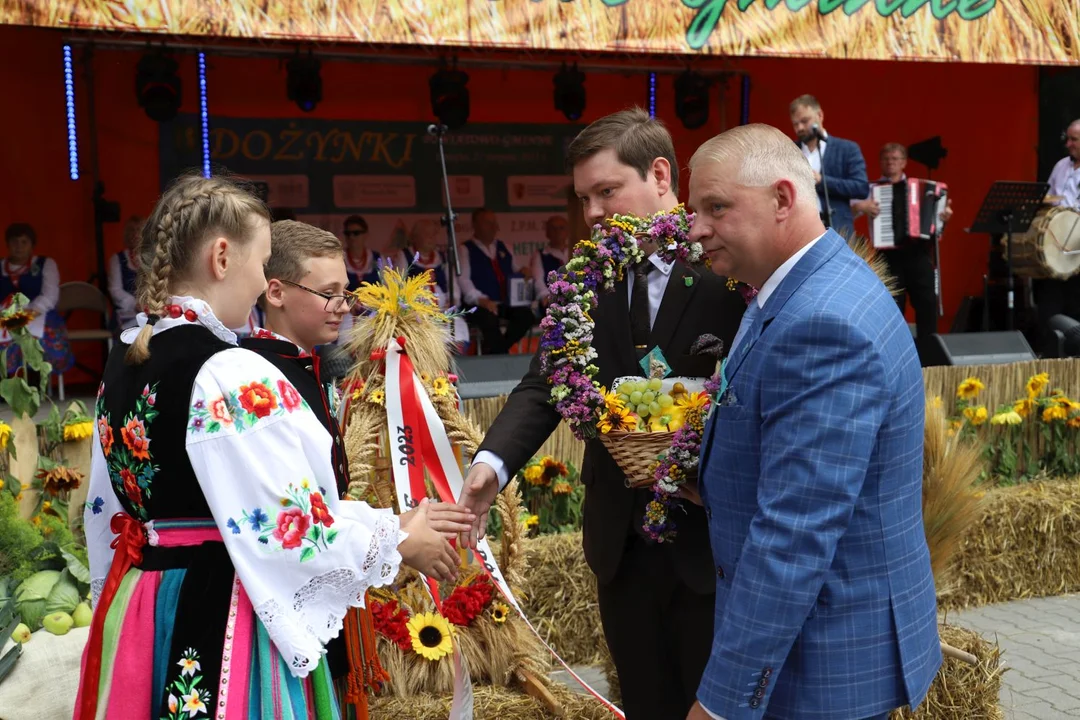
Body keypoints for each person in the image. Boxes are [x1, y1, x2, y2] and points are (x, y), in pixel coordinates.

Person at [76, 174, 462, 720]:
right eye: (261, 265)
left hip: (141, 605)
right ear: (222, 257)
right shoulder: (229, 372)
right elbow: (292, 530)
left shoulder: (122, 362)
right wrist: (398, 537)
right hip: (218, 614)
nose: (262, 284)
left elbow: (105, 511)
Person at [459, 108, 746, 720]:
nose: (591, 213)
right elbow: (545, 383)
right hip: (620, 545)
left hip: (710, 540)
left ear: (661, 175)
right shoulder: (588, 278)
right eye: (584, 198)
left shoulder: (729, 268)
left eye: (606, 191)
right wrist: (491, 464)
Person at [684, 124, 941, 720]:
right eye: (694, 210)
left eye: (716, 207)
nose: (695, 229)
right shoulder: (794, 289)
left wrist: (722, 701)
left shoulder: (822, 321)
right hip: (817, 646)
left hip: (821, 663)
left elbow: (794, 535)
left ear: (782, 199)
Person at [240, 218, 476, 708]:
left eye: (346, 292)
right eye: (329, 292)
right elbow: (294, 517)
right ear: (277, 292)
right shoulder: (257, 378)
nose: (344, 307)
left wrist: (400, 522)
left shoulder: (310, 367)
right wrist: (399, 537)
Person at [851, 143, 954, 339]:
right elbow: (845, 213)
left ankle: (929, 351)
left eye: (895, 159)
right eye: (886, 159)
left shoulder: (922, 188)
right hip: (887, 256)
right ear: (880, 162)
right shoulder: (870, 188)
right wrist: (861, 207)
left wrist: (943, 220)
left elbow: (935, 229)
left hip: (918, 252)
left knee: (927, 302)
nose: (890, 163)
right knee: (892, 305)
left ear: (904, 163)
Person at [457, 207, 537, 354]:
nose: (494, 227)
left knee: (526, 316)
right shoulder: (465, 249)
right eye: (488, 223)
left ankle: (498, 351)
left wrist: (524, 271)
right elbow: (464, 281)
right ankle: (501, 354)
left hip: (504, 303)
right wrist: (481, 299)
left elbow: (516, 270)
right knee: (488, 320)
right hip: (479, 305)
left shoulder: (505, 247)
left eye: (495, 223)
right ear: (475, 225)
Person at [0, 223, 74, 378]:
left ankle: (36, 380)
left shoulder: (46, 264)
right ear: (7, 244)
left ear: (32, 245)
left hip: (40, 314)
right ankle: (6, 383)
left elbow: (50, 294)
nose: (19, 247)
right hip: (5, 317)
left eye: (24, 242)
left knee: (44, 338)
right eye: (14, 242)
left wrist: (28, 313)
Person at [789, 94, 869, 235]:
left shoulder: (847, 149)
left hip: (838, 229)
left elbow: (861, 187)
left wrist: (821, 181)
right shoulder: (789, 151)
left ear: (820, 115)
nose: (800, 128)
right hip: (799, 230)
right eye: (795, 124)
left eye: (804, 121)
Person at [1033, 118, 1080, 352]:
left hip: (1078, 245)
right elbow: (1049, 199)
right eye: (1068, 138)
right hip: (1056, 244)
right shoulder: (1061, 165)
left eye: (1074, 140)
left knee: (1075, 301)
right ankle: (1051, 347)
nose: (1068, 144)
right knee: (1050, 302)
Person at [405, 218, 469, 348]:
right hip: (417, 313)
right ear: (416, 237)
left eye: (434, 235)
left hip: (442, 311)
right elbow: (397, 285)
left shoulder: (443, 257)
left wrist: (452, 301)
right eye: (427, 235)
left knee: (457, 325)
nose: (432, 238)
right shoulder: (405, 256)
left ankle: (453, 364)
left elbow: (453, 286)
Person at [107, 215, 144, 332]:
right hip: (127, 312)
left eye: (139, 230)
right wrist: (135, 304)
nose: (135, 234)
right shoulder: (117, 259)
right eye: (132, 230)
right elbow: (115, 290)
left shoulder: (151, 258)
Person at [530, 215, 571, 308]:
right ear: (547, 233)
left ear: (567, 232)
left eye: (561, 228)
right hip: (551, 300)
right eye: (553, 228)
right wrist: (545, 296)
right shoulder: (540, 254)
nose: (557, 232)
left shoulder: (575, 252)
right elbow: (538, 280)